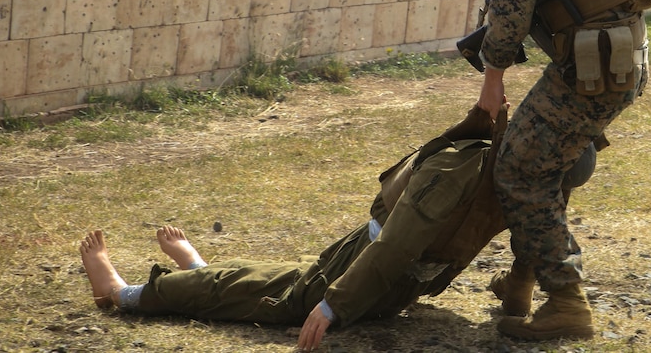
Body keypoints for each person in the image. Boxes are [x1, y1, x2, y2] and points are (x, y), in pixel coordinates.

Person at [363, 0, 651, 340]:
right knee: (546, 160)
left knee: (519, 169)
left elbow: (511, 6)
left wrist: (491, 80)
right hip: (618, 61)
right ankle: (521, 283)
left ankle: (567, 301)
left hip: (590, 68)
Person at [80, 105, 597, 351]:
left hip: (399, 278)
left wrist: (519, 296)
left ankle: (199, 272)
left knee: (285, 284)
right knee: (289, 303)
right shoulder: (461, 170)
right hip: (372, 264)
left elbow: (537, 232)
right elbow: (393, 247)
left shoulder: (530, 177)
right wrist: (333, 306)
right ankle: (126, 294)